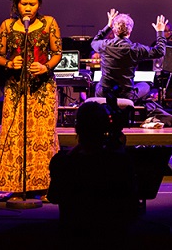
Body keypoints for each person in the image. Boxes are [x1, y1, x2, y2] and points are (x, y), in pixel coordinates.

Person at [0, 0, 61, 200]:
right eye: (24, 4)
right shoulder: (7, 26)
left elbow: (57, 53)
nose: (28, 8)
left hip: (43, 89)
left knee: (43, 138)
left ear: (39, 4)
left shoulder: (49, 23)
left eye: (32, 4)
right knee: (16, 136)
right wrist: (9, 63)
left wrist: (45, 66)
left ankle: (47, 186)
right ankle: (17, 186)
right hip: (16, 88)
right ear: (17, 4)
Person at [48, 101, 138, 240]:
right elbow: (132, 207)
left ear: (77, 128)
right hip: (112, 237)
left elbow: (54, 197)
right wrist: (118, 148)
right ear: (105, 128)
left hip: (72, 236)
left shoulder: (62, 162)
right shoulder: (119, 163)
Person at [91, 9, 167, 104]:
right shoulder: (136, 49)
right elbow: (160, 51)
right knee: (146, 85)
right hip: (126, 94)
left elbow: (94, 42)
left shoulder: (104, 45)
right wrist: (160, 32)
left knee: (98, 85)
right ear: (130, 31)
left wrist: (108, 26)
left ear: (114, 30)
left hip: (104, 93)